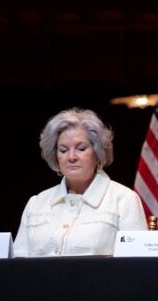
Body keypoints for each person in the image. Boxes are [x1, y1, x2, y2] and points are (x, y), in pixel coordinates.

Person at [13, 108, 147, 256]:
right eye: (63, 150)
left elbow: (137, 267)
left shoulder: (124, 199)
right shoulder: (36, 204)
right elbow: (17, 263)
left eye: (81, 149)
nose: (71, 157)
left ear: (97, 153)